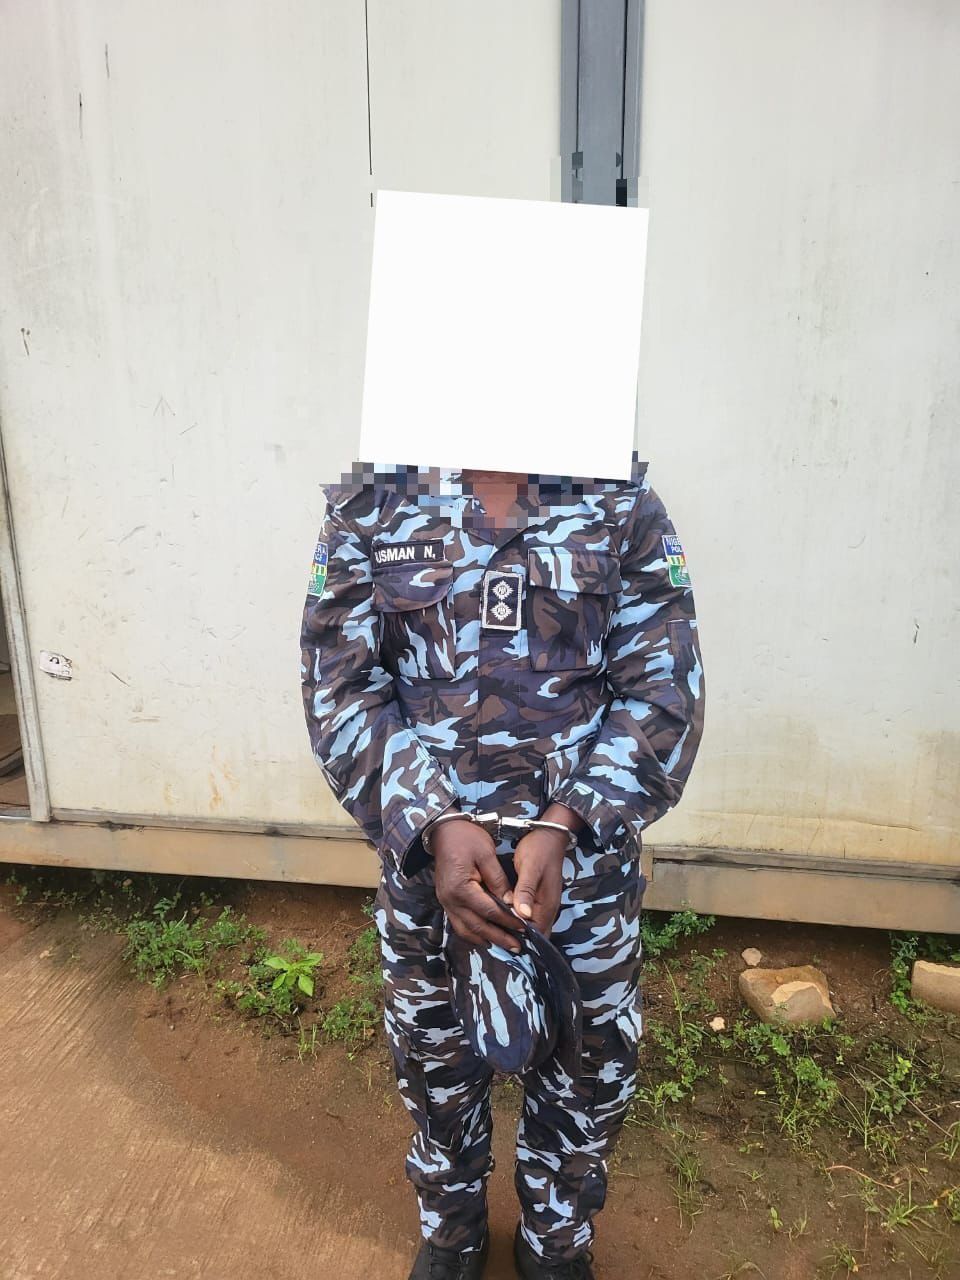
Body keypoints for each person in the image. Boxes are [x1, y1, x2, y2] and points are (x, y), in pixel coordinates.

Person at [300, 459, 705, 1279]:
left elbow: (664, 692)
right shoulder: (374, 501)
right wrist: (434, 824)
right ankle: (452, 1233)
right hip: (432, 878)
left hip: (579, 878)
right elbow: (340, 689)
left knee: (587, 1071)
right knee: (435, 1065)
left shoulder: (619, 501)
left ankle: (555, 1243)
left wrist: (568, 821)